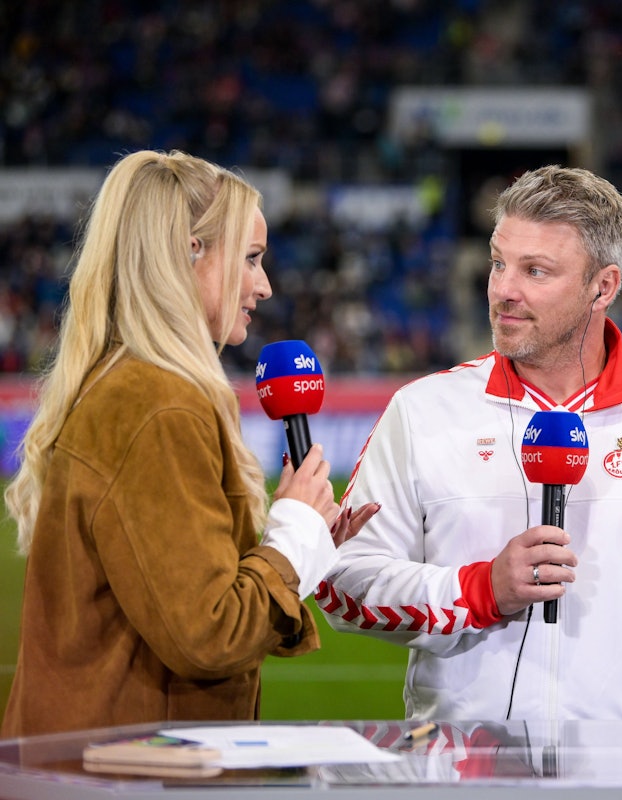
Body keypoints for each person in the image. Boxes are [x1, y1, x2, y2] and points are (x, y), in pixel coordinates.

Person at [317, 165, 622, 720]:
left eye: (536, 271)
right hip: (463, 776)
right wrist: (478, 589)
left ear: (603, 286)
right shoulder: (421, 412)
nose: (504, 290)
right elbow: (343, 583)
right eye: (498, 263)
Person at [1, 150, 377, 737]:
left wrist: (304, 543)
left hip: (110, 757)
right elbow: (210, 633)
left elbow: (181, 597)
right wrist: (291, 536)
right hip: (134, 767)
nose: (266, 285)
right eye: (251, 259)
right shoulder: (158, 403)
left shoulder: (134, 386)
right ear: (188, 253)